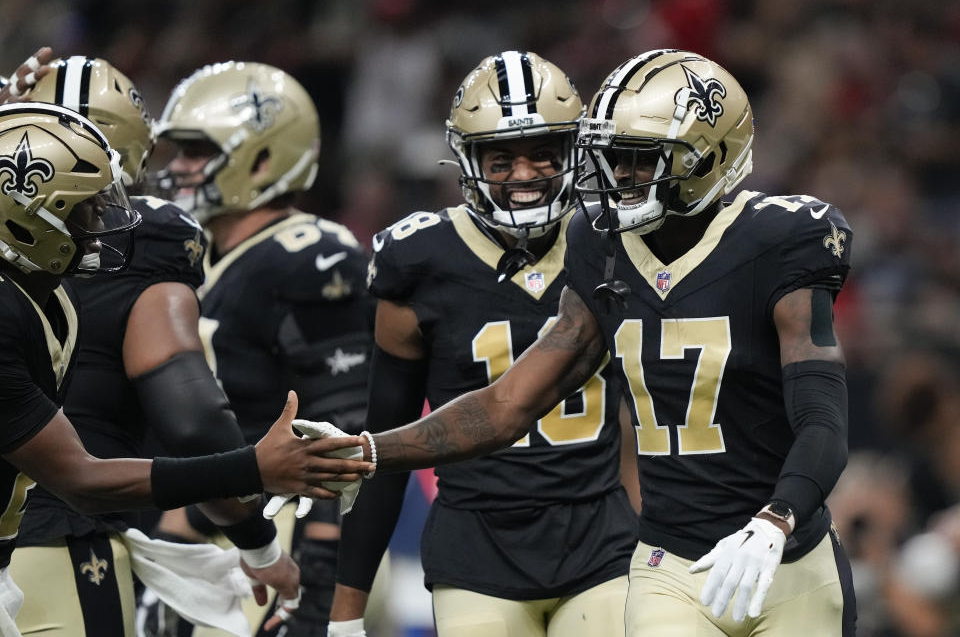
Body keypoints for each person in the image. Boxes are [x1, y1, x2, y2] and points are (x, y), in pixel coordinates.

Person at [333, 49, 856, 636]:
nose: (617, 176)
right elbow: (506, 406)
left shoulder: (781, 240)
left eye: (637, 159)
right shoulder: (599, 245)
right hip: (664, 561)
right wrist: (366, 450)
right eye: (610, 157)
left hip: (780, 550)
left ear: (707, 159)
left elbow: (823, 418)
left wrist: (777, 518)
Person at [0, 101, 369, 633]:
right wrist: (255, 475)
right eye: (83, 205)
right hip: (64, 540)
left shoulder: (39, 296)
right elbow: (85, 475)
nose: (101, 221)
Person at [326, 50, 640, 637]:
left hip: (600, 541)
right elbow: (388, 446)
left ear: (573, 153)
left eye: (543, 154)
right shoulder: (417, 261)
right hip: (476, 551)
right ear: (469, 162)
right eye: (502, 159)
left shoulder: (616, 243)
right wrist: (346, 613)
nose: (523, 174)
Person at [152, 61, 373, 636]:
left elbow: (344, 426)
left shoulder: (311, 253)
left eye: (195, 152)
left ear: (264, 157)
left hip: (295, 534)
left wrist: (324, 569)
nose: (177, 168)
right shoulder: (197, 258)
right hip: (226, 530)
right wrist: (179, 536)